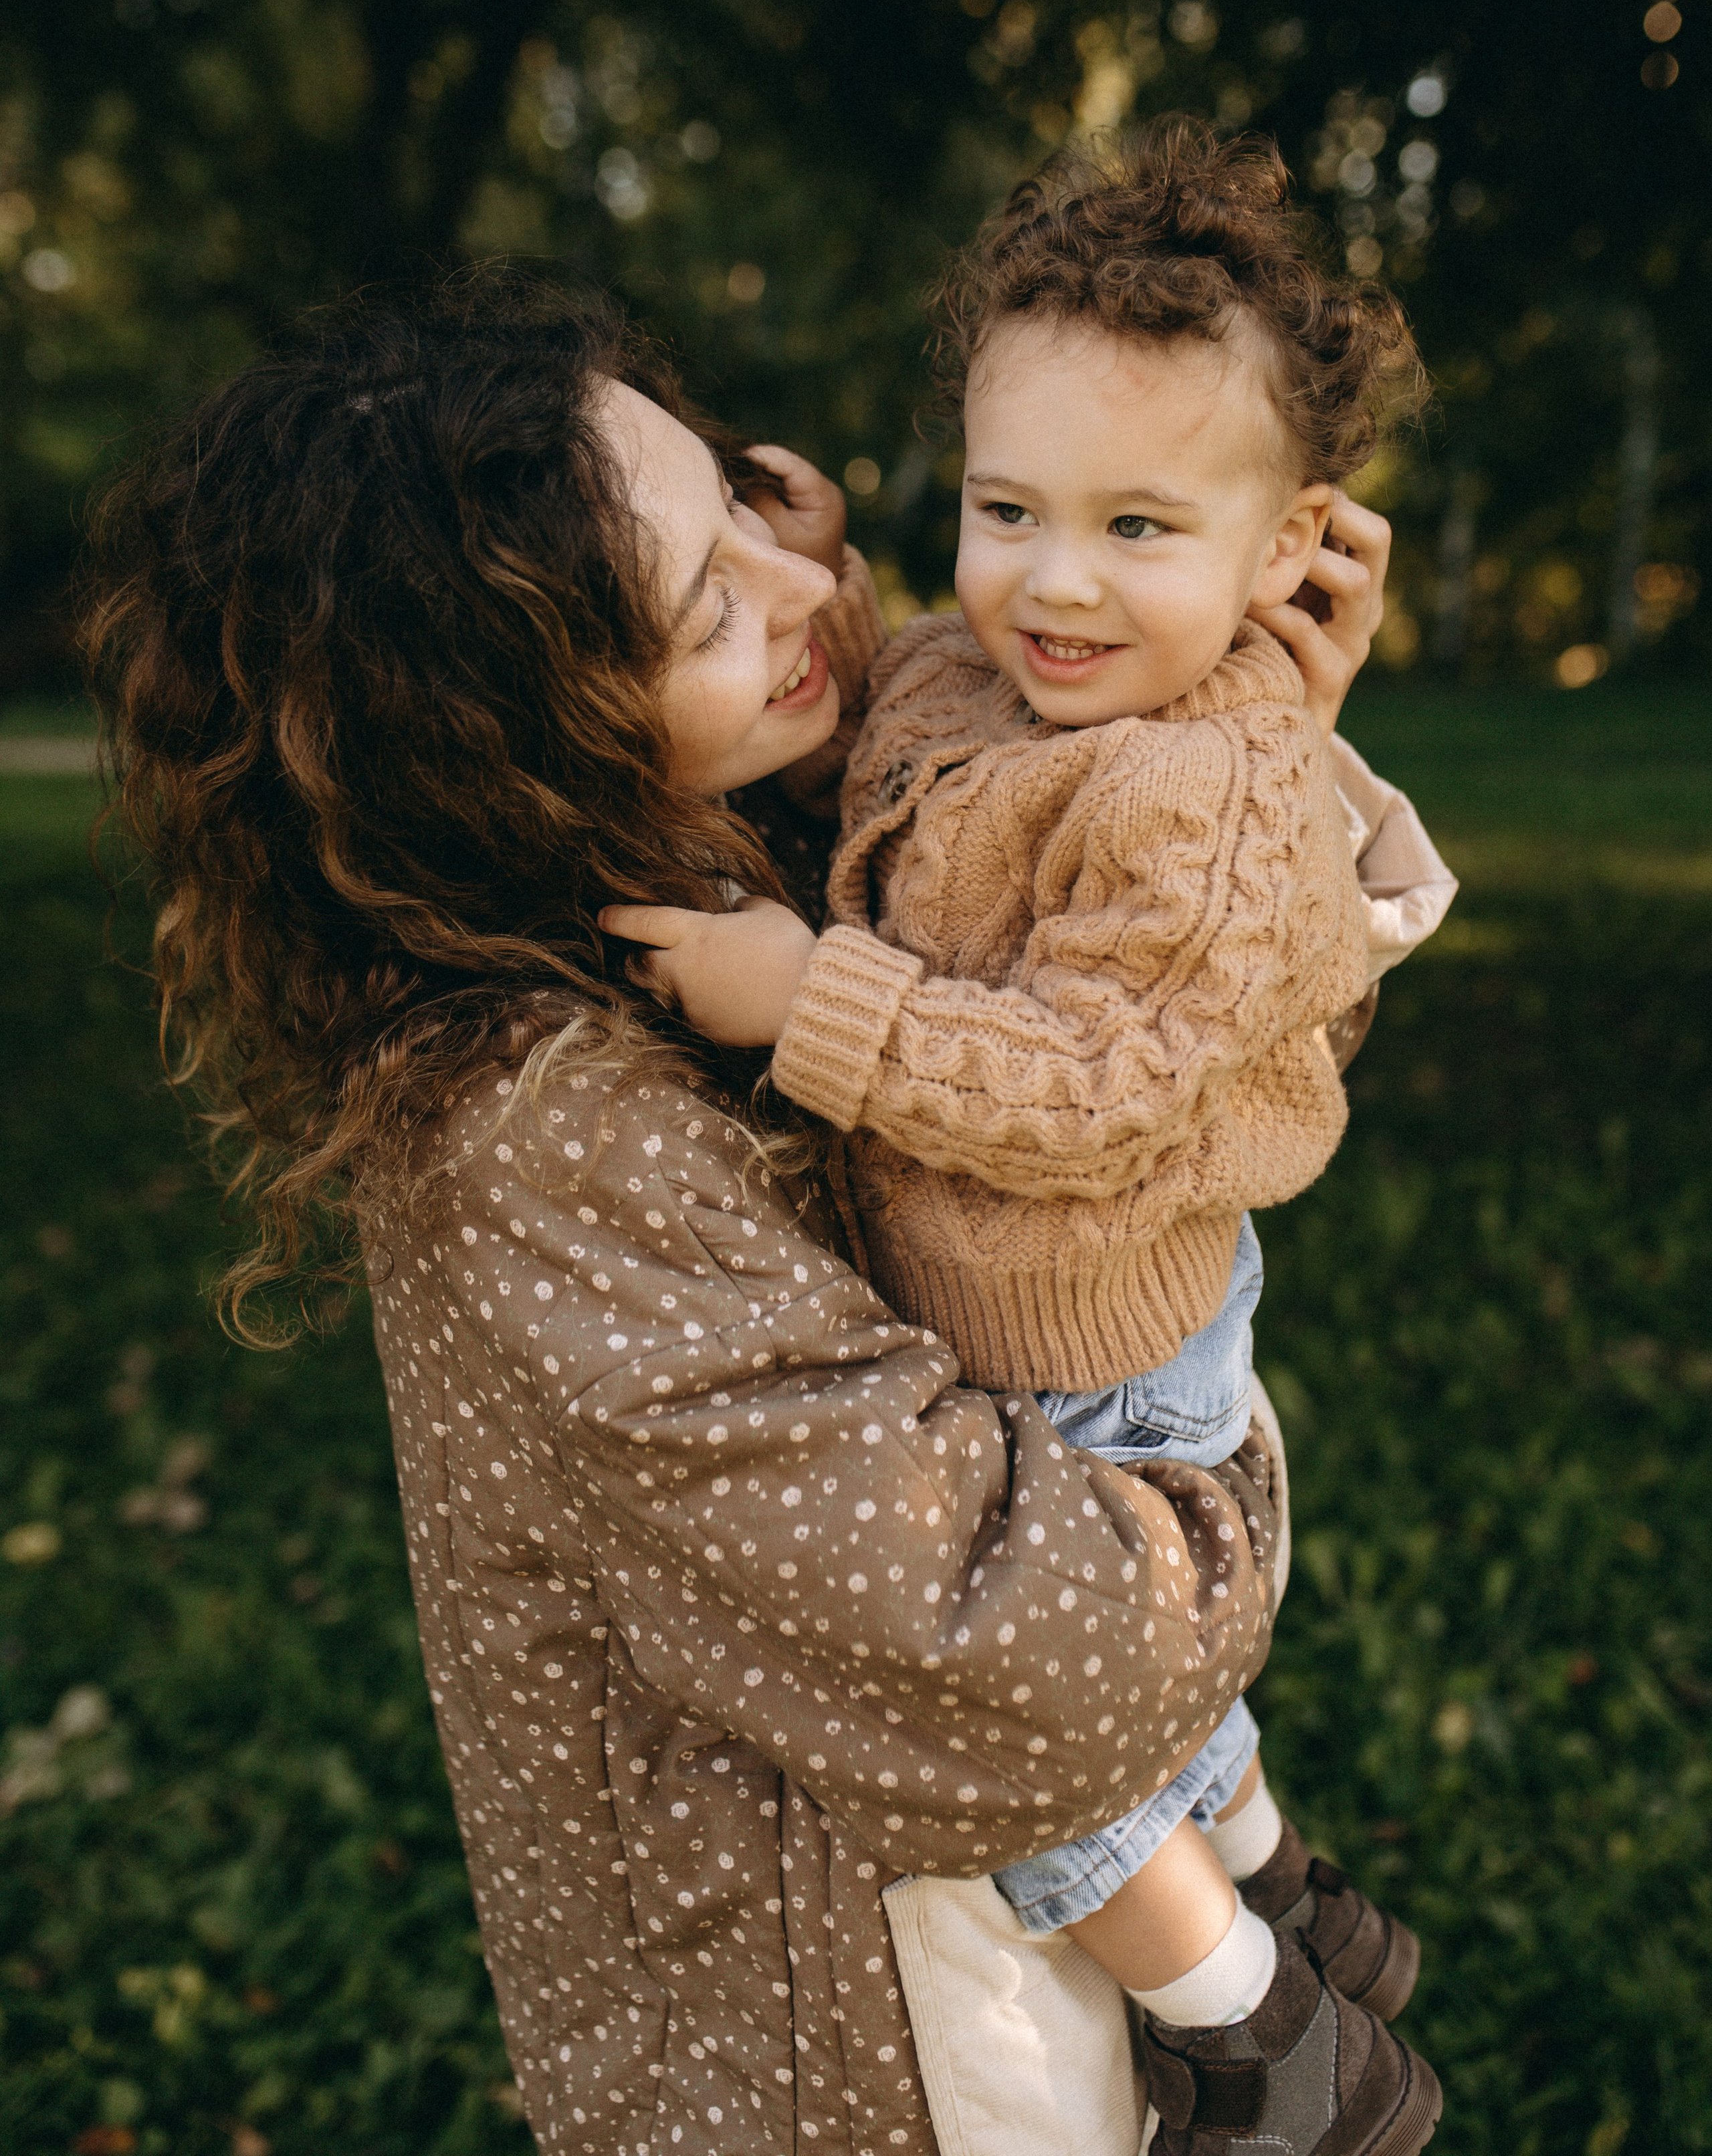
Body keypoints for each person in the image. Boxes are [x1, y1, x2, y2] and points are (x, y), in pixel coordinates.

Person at [82, 264, 1302, 2156]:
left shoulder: (677, 883)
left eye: (739, 501)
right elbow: (1022, 1660)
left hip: (933, 1960)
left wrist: (1251, 702)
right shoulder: (545, 1138)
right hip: (851, 2049)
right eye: (710, 605)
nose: (805, 584)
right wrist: (1223, 1494)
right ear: (516, 735)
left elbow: (1096, 925)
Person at [601, 126, 1455, 2156]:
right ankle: (1284, 1882)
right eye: (1008, 508)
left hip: (1106, 1357)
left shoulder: (1198, 793)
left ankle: (1276, 2044)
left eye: (1138, 525)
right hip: (1016, 1328)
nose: (1054, 582)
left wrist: (804, 996)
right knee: (1101, 1711)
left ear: (1283, 548)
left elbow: (1097, 1094)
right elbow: (881, 718)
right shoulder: (981, 669)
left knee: (1015, 1740)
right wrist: (830, 576)